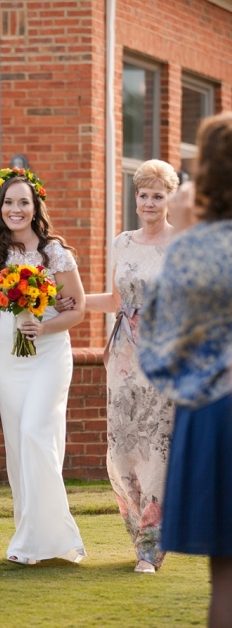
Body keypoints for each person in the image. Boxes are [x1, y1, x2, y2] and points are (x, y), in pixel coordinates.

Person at [59, 160, 177, 574]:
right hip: (122, 362)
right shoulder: (122, 242)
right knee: (123, 450)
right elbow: (114, 300)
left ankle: (152, 548)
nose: (148, 202)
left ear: (169, 199)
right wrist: (71, 300)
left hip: (161, 360)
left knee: (156, 450)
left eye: (157, 195)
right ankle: (138, 534)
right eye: (143, 194)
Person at [139, 111, 232, 627]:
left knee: (225, 577)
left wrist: (198, 387)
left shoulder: (192, 247)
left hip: (213, 415)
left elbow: (156, 347)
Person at [0, 167, 87, 565]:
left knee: (36, 434)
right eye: (9, 202)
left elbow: (77, 308)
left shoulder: (55, 251)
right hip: (10, 356)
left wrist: (44, 326)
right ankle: (31, 536)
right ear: (0, 207)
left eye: (23, 201)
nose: (16, 209)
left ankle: (51, 537)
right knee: (18, 446)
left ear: (35, 205)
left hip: (49, 354)